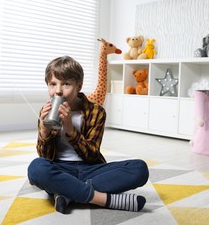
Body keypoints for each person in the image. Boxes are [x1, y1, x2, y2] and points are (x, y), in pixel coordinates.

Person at [27, 56, 149, 214]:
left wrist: (70, 130)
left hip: (91, 168)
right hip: (60, 167)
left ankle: (66, 193)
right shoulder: (46, 111)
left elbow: (92, 155)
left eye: (66, 84)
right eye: (53, 84)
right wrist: (44, 132)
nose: (58, 90)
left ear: (79, 86)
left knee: (139, 168)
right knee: (36, 168)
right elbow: (45, 157)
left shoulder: (96, 112)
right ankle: (102, 199)